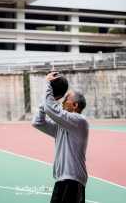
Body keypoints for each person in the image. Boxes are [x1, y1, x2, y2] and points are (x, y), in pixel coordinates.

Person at [32, 72, 89, 203]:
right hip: (62, 180)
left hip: (73, 181)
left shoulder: (79, 121)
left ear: (75, 106)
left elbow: (51, 108)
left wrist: (47, 84)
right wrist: (46, 102)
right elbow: (37, 122)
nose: (62, 102)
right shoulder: (62, 126)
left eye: (65, 100)